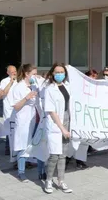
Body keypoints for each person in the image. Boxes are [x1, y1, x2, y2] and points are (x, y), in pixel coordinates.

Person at [43, 63, 73, 194]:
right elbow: (51, 111)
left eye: (62, 72)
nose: (59, 74)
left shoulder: (68, 87)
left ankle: (61, 180)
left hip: (67, 121)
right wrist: (62, 129)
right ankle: (49, 180)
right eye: (57, 72)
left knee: (63, 155)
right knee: (54, 155)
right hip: (56, 123)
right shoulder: (49, 89)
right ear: (52, 74)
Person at [11, 64, 38, 182]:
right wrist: (27, 98)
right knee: (22, 146)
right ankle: (21, 172)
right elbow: (16, 106)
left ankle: (32, 164)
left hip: (32, 120)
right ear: (27, 74)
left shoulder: (32, 86)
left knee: (29, 145)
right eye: (34, 74)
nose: (35, 76)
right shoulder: (18, 87)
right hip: (22, 121)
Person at [0, 65, 17, 156]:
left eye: (15, 71)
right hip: (8, 108)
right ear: (8, 72)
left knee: (17, 128)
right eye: (12, 71)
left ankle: (15, 147)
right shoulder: (4, 81)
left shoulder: (20, 80)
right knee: (8, 128)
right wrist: (10, 82)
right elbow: (2, 94)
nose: (14, 73)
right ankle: (8, 147)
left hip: (17, 108)